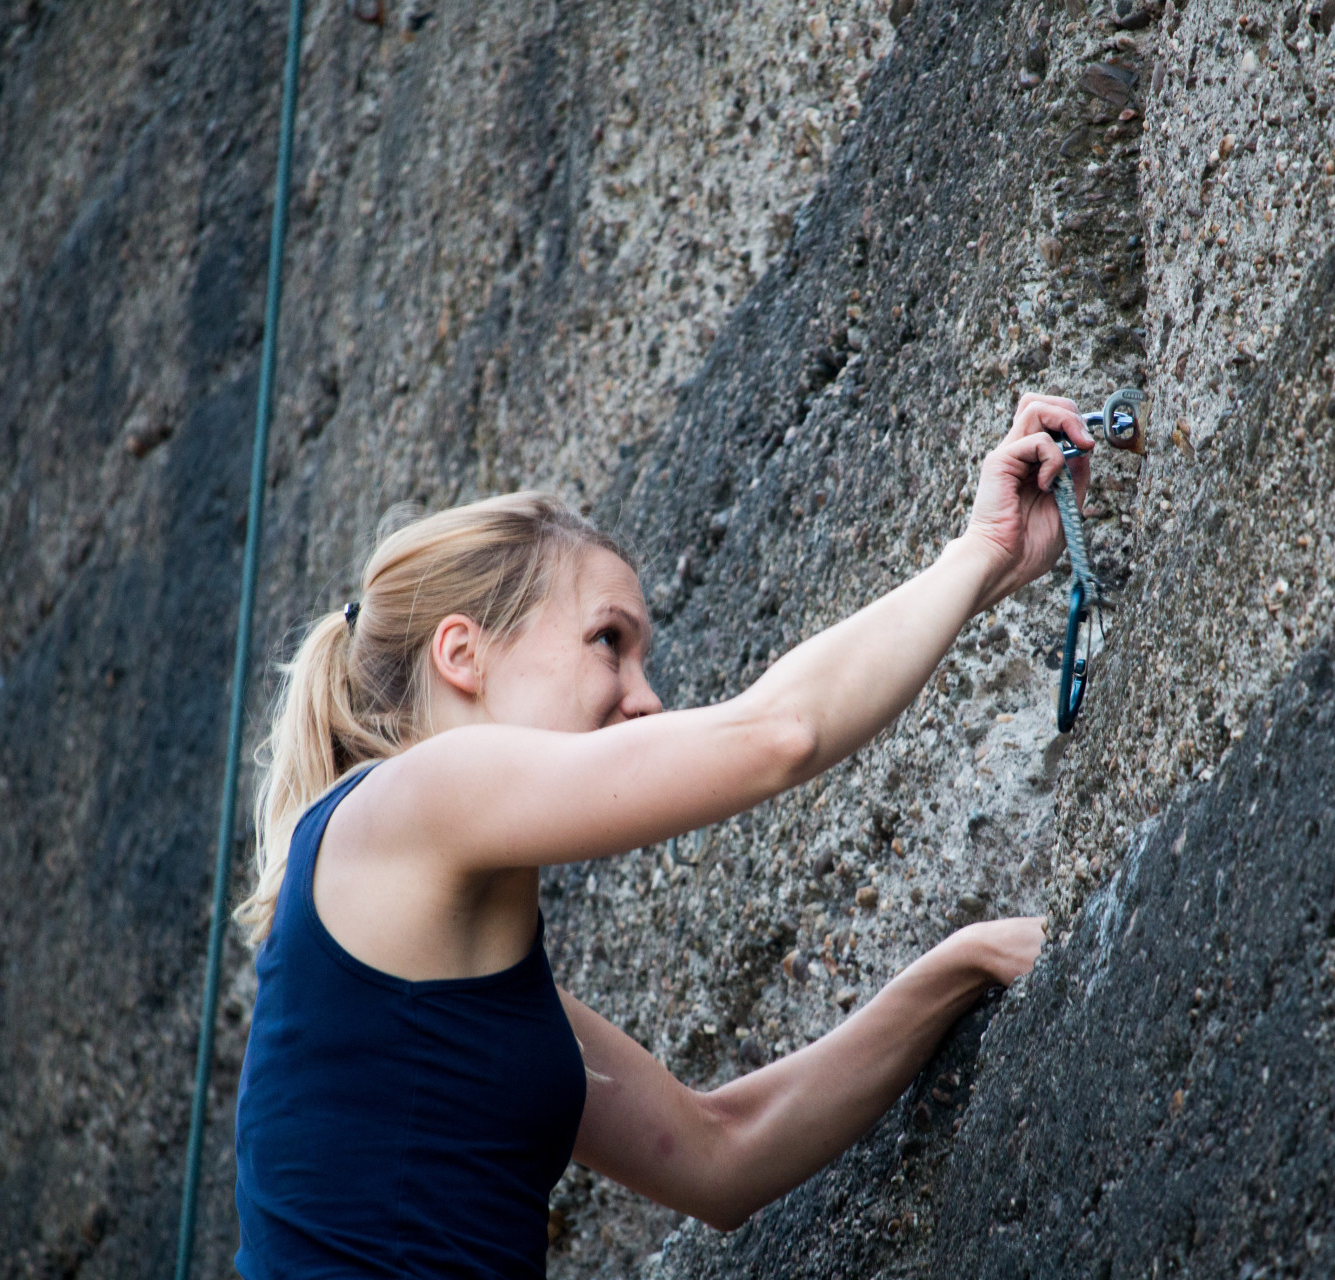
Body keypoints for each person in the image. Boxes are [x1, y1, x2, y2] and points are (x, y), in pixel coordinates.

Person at [230, 394, 1096, 1278]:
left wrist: (962, 964)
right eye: (608, 641)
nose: (644, 698)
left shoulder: (470, 990)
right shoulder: (409, 796)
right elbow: (778, 735)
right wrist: (977, 551)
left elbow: (724, 1155)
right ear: (464, 654)